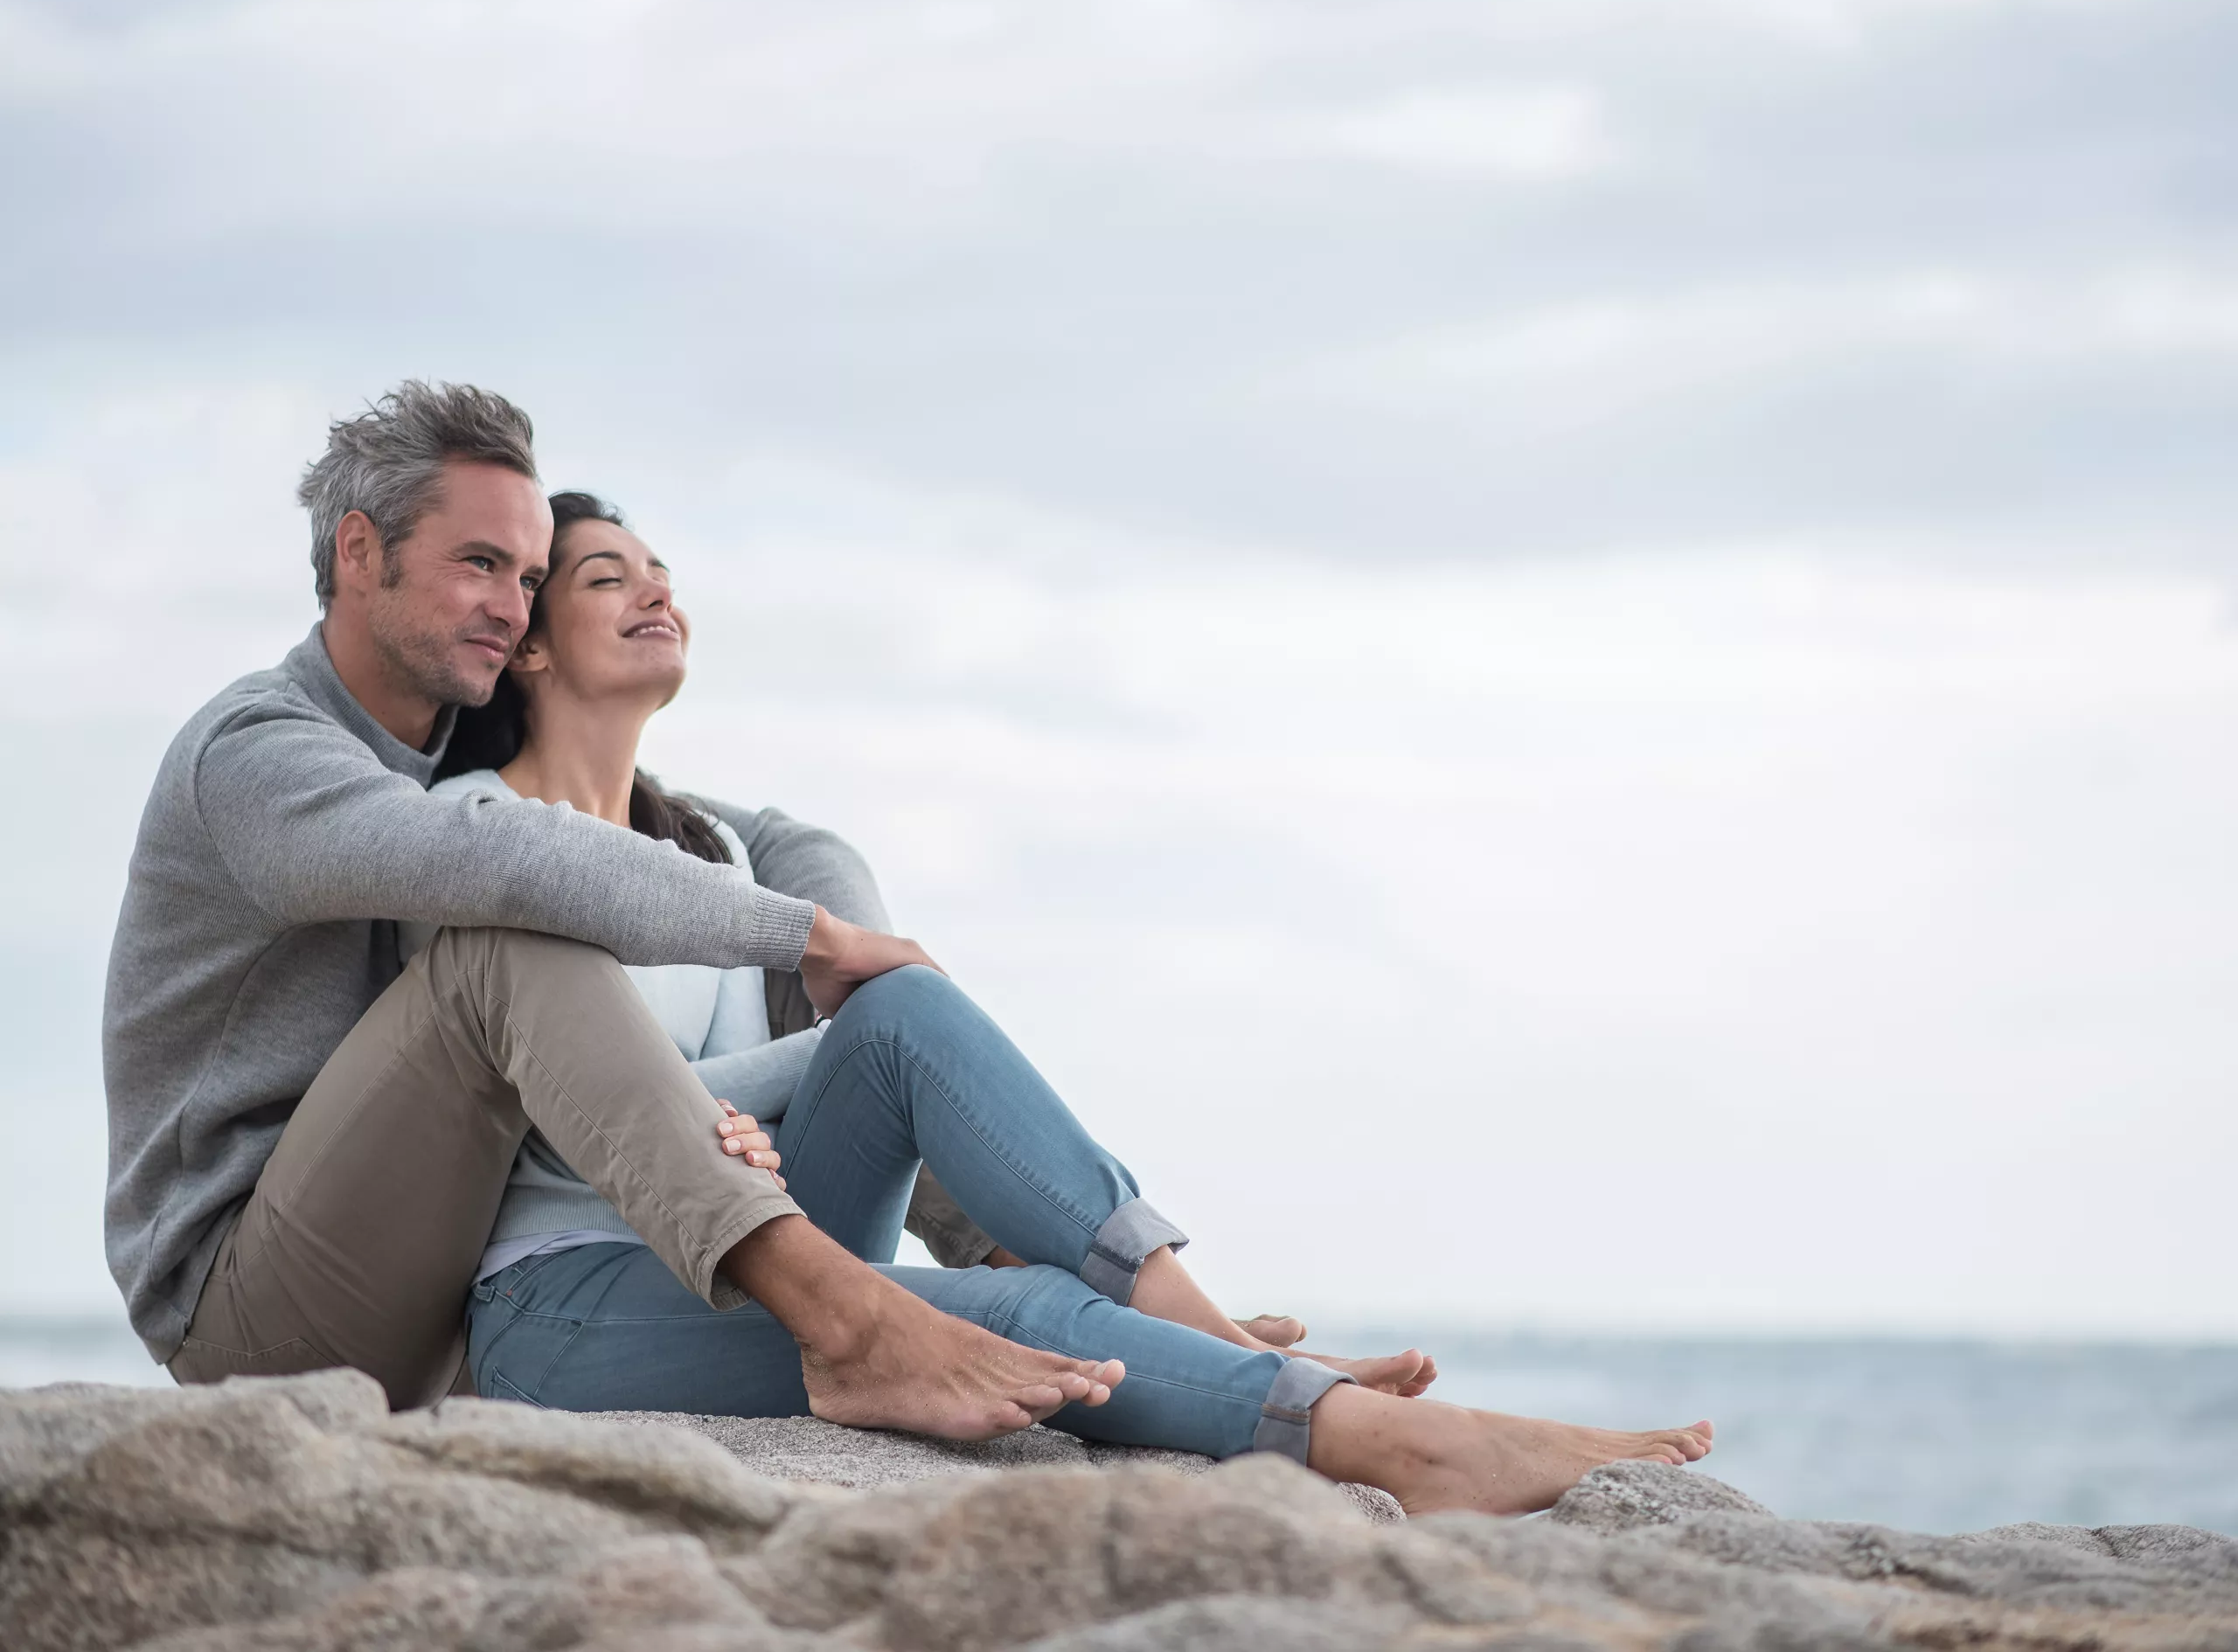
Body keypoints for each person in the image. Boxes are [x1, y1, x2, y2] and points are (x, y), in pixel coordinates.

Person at [103, 380, 1712, 1514]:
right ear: (353, 554)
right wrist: (789, 944)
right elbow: (520, 868)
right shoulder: (278, 763)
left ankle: (1195, 1331)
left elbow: (688, 835)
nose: (509, 606)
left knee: (902, 1005)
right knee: (531, 947)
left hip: (525, 1229)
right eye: (484, 568)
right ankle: (1373, 1444)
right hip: (270, 1298)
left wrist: (826, 920)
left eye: (528, 575)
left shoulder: (487, 779)